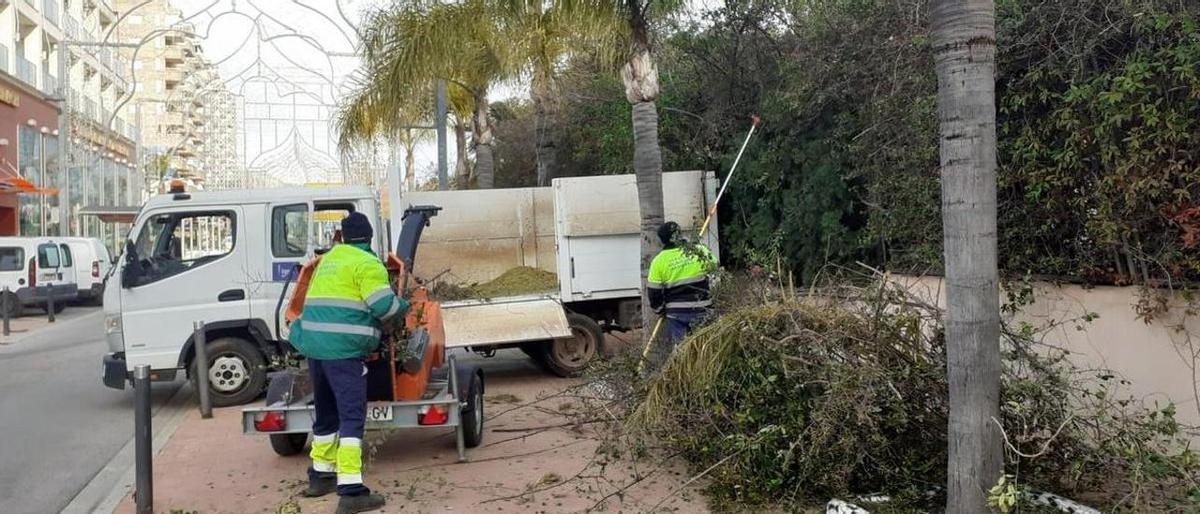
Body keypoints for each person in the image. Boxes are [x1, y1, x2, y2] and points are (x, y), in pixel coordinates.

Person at [288, 212, 408, 514]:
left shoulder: (328, 260)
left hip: (314, 347)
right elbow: (383, 306)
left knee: (326, 414)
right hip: (343, 352)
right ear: (369, 238)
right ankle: (351, 490)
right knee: (351, 416)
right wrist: (402, 306)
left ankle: (321, 476)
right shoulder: (367, 264)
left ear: (340, 237)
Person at [647, 221, 714, 345]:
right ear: (680, 234)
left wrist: (660, 309)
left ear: (662, 240)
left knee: (683, 352)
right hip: (703, 308)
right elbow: (715, 269)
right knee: (706, 347)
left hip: (677, 313)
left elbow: (653, 293)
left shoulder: (658, 261)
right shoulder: (698, 250)